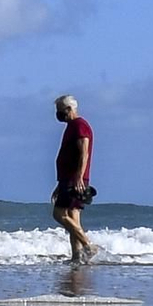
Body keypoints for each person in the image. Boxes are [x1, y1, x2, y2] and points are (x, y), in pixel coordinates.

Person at [52, 94, 95, 263]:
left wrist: (78, 178)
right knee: (73, 216)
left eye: (60, 111)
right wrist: (59, 184)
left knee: (58, 213)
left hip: (73, 179)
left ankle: (87, 245)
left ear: (69, 109)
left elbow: (84, 153)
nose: (58, 114)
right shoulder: (71, 126)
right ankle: (77, 256)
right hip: (68, 178)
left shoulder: (79, 126)